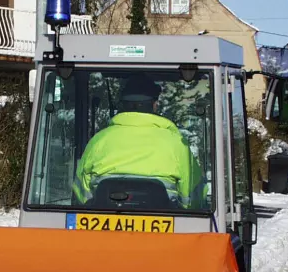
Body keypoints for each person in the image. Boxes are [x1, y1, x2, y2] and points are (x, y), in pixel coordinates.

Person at [72, 73, 206, 209]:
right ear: (154, 105)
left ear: (123, 105)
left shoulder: (98, 141)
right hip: (164, 226)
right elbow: (193, 197)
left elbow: (81, 192)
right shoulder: (176, 144)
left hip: (103, 225)